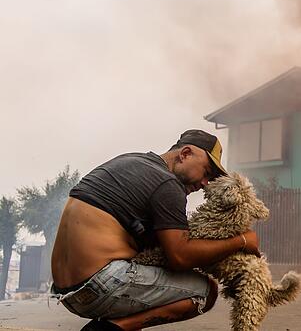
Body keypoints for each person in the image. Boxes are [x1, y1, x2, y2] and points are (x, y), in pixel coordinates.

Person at [51, 129, 260, 331]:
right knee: (206, 291)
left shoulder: (131, 161)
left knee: (144, 270)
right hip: (100, 284)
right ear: (185, 154)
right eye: (206, 172)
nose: (205, 183)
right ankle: (110, 329)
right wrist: (241, 241)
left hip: (66, 292)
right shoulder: (167, 184)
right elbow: (180, 257)